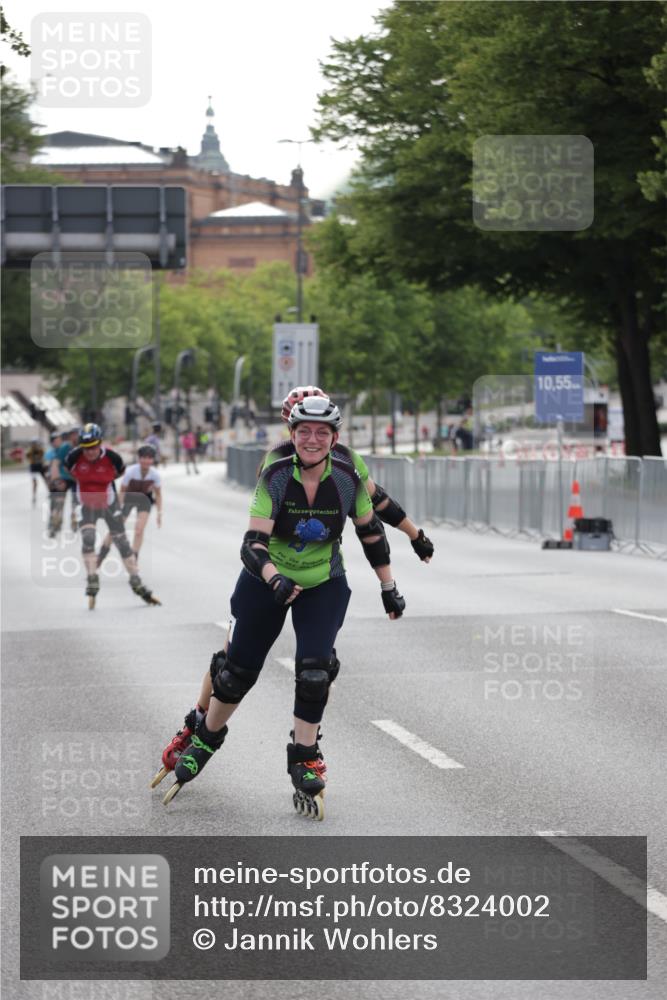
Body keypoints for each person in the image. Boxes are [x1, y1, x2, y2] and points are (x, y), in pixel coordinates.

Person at [153, 395, 405, 819]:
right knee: (235, 674)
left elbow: (371, 533)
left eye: (321, 433)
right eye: (304, 431)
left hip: (323, 581)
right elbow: (251, 544)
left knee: (315, 671)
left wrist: (388, 587)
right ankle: (206, 737)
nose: (312, 439)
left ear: (334, 438)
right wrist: (274, 577)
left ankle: (305, 755)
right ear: (292, 434)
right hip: (264, 580)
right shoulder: (275, 476)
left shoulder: (347, 479)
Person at [264, 386, 434, 563]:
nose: (312, 436)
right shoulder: (275, 459)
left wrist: (416, 536)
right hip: (282, 556)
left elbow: (379, 500)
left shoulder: (345, 457)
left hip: (323, 553)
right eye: (304, 427)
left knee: (370, 525)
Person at [64, 423, 160, 608]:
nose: (90, 451)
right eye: (86, 448)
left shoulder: (112, 457)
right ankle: (92, 578)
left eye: (93, 447)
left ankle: (136, 582)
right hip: (86, 505)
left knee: (123, 545)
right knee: (89, 538)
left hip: (109, 503)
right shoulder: (74, 457)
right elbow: (69, 472)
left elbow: (120, 472)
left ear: (100, 443)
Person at [97, 443, 162, 566]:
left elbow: (158, 495)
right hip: (129, 498)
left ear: (153, 460)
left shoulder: (155, 475)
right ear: (139, 458)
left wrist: (159, 513)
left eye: (149, 458)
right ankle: (101, 554)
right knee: (115, 529)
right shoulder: (131, 472)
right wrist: (118, 509)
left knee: (139, 530)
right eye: (144, 457)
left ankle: (134, 558)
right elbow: (122, 491)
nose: (146, 461)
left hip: (144, 500)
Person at [26, 438, 47, 506]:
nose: (35, 445)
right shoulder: (30, 451)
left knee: (46, 479)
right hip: (33, 467)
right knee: (34, 483)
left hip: (40, 466)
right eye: (33, 444)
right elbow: (28, 457)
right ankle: (34, 495)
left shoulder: (41, 450)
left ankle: (51, 492)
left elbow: (44, 457)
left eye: (36, 444)